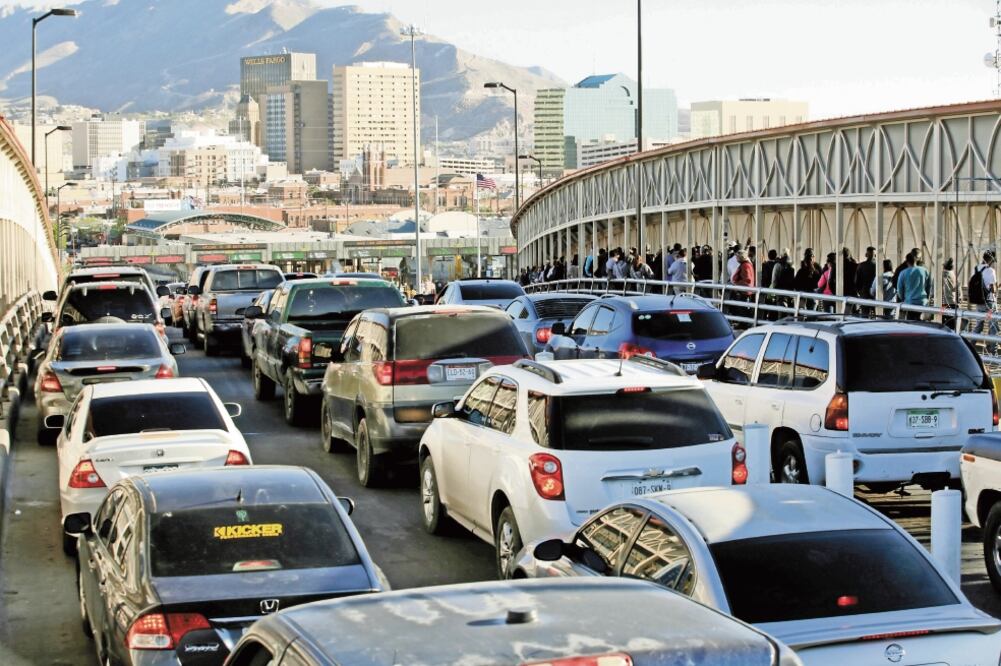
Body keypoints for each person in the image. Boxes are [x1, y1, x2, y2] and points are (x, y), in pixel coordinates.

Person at [971, 251, 998, 350]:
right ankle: (993, 349)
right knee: (993, 325)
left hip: (979, 301)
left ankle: (971, 345)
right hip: (989, 302)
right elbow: (993, 289)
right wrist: (997, 287)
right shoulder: (991, 271)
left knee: (979, 324)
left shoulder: (976, 268)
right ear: (990, 260)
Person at [896, 251, 931, 320]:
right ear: (915, 260)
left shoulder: (903, 273)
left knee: (911, 323)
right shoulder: (925, 271)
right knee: (923, 324)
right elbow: (929, 286)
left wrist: (903, 299)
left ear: (907, 262)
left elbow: (899, 290)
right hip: (923, 303)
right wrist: (926, 297)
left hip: (909, 303)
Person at [855, 246, 877, 313]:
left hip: (864, 292)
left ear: (866, 254)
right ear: (875, 255)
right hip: (876, 293)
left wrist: (859, 291)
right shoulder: (878, 266)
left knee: (865, 313)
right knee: (877, 313)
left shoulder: (861, 265)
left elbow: (856, 281)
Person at [942, 258, 958, 329]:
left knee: (943, 323)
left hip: (944, 303)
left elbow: (934, 288)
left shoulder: (941, 275)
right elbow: (958, 288)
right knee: (952, 324)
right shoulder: (953, 275)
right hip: (953, 302)